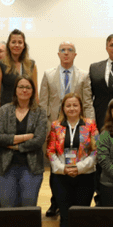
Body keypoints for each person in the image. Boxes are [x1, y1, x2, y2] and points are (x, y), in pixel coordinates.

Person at [39, 41, 94, 217]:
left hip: (78, 126)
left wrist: (90, 126)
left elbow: (87, 102)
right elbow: (43, 102)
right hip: (55, 127)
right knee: (57, 166)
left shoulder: (84, 75)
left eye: (70, 50)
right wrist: (45, 126)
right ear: (58, 54)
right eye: (62, 50)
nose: (66, 53)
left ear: (75, 55)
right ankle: (55, 202)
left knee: (77, 161)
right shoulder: (48, 74)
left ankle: (77, 197)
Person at [0, 76, 48, 208]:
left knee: (28, 208)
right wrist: (25, 137)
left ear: (33, 91)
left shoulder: (40, 112)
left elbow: (39, 140)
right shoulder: (4, 110)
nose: (24, 90)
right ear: (15, 90)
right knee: (7, 208)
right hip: (6, 167)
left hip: (31, 167)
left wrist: (13, 145)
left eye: (28, 87)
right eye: (21, 87)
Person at [47, 93, 97, 227]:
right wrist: (63, 169)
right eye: (68, 105)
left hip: (85, 176)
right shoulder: (55, 126)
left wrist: (79, 168)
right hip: (61, 177)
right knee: (65, 216)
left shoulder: (90, 125)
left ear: (80, 107)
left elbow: (96, 150)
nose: (72, 108)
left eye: (75, 105)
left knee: (81, 215)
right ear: (63, 108)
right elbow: (50, 151)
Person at [0, 29, 37, 108]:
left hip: (27, 109)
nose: (16, 45)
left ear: (24, 46)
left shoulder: (31, 65)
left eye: (20, 42)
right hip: (7, 109)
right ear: (9, 45)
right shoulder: (0, 65)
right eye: (13, 42)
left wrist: (37, 111)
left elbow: (35, 91)